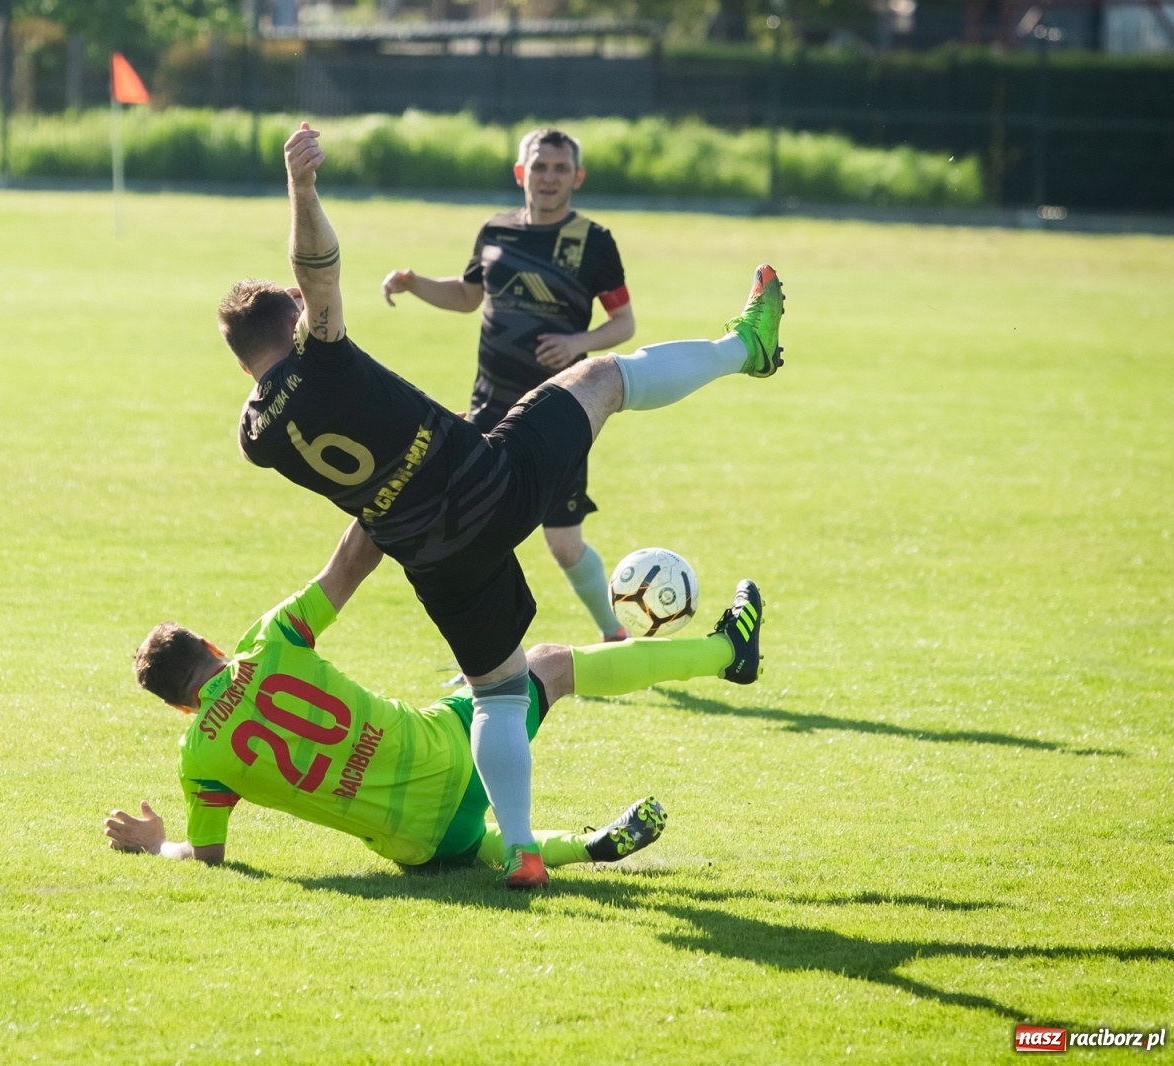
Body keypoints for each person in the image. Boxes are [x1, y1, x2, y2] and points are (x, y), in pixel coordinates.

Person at [220, 121, 783, 887]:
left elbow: (267, 375)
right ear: (294, 320)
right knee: (602, 380)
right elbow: (316, 268)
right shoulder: (321, 355)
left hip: (434, 560)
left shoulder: (256, 434)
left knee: (498, 692)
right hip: (489, 483)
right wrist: (303, 187)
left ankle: (520, 850)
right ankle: (744, 349)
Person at [108, 520, 766, 877]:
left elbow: (211, 859)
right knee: (548, 666)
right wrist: (394, 484)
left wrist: (154, 844)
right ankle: (724, 652)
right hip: (448, 751)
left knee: (472, 846)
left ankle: (581, 848)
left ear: (179, 706)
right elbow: (349, 565)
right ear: (216, 647)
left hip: (416, 843)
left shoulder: (199, 760)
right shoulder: (269, 642)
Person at [381, 127, 639, 643]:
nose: (548, 177)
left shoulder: (593, 242)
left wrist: (576, 342)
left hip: (562, 412)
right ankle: (488, 655)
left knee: (564, 543)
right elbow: (466, 295)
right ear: (521, 173)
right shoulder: (495, 231)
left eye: (560, 168)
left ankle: (612, 632)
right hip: (488, 410)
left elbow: (624, 323)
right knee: (470, 531)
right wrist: (414, 284)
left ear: (578, 177)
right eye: (539, 167)